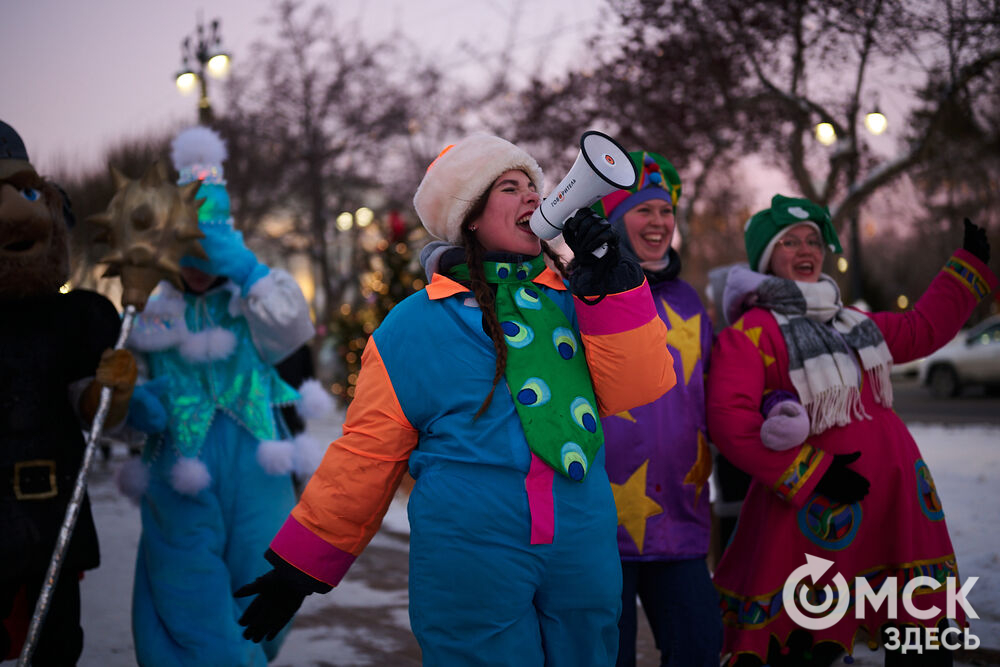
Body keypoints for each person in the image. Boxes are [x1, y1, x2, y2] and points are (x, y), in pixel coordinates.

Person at [234, 133, 677, 664]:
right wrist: (301, 566)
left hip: (582, 543)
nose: (533, 197)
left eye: (533, 186)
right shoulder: (414, 325)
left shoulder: (577, 298)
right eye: (509, 188)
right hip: (471, 553)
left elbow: (640, 386)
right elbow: (366, 454)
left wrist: (613, 285)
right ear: (468, 215)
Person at [707, 194, 997, 666]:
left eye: (813, 241)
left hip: (896, 506)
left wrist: (965, 270)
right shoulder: (751, 333)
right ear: (766, 258)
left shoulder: (852, 322)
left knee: (919, 639)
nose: (805, 250)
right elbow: (730, 420)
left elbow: (920, 328)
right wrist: (811, 473)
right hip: (816, 513)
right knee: (803, 641)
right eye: (789, 242)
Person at [119, 126, 317, 666]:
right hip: (179, 476)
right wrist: (136, 405)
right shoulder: (149, 310)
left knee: (262, 601)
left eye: (210, 245)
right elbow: (120, 403)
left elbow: (293, 330)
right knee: (188, 604)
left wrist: (248, 271)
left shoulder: (256, 296)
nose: (198, 261)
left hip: (259, 471)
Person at [1, 119, 137, 664]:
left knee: (55, 646)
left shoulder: (73, 317)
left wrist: (111, 391)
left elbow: (92, 409)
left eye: (27, 192)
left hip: (48, 510)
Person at [591, 150, 722, 666]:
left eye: (666, 211)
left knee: (699, 648)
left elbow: (717, 390)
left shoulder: (690, 301)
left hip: (683, 523)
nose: (660, 222)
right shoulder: (584, 293)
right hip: (603, 529)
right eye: (644, 210)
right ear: (615, 220)